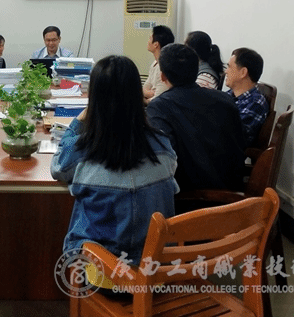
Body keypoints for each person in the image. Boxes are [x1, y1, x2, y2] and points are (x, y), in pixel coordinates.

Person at [50, 55, 178, 265]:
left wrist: (79, 121)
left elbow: (58, 168)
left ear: (95, 98)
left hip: (103, 269)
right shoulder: (162, 143)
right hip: (156, 266)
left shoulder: (83, 147)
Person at [146, 44, 245, 192]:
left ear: (162, 76)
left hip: (189, 197)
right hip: (233, 192)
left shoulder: (159, 107)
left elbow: (163, 161)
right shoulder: (226, 99)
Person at [225, 47, 269, 145]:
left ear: (243, 72)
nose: (226, 71)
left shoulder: (256, 102)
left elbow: (233, 135)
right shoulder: (229, 94)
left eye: (229, 67)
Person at [142, 25, 175, 102]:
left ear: (156, 44)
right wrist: (147, 93)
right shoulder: (155, 63)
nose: (148, 41)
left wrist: (142, 100)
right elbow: (144, 88)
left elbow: (157, 99)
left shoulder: (164, 67)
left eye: (150, 38)